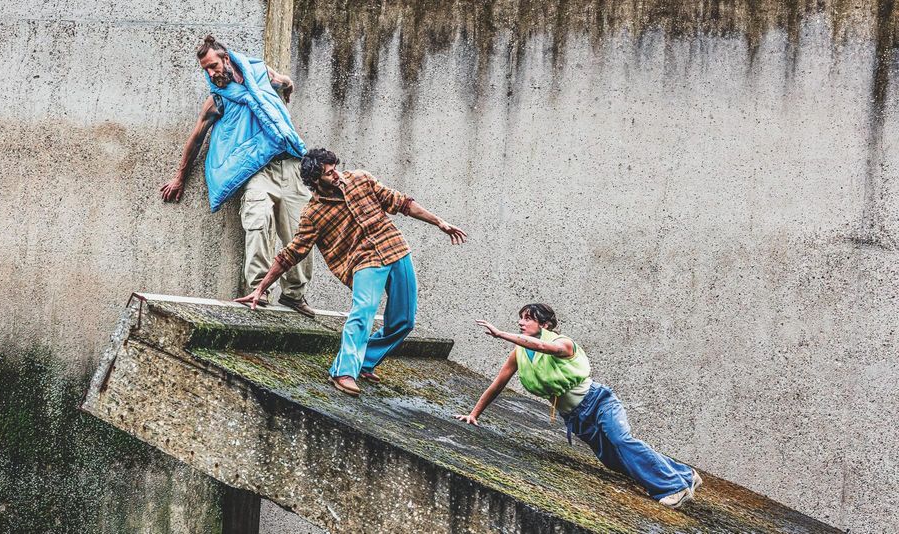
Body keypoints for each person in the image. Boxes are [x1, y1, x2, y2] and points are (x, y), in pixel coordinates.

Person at [235, 148, 468, 396]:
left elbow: (401, 202)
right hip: (364, 261)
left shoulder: (360, 179)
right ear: (316, 180)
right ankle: (343, 371)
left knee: (404, 320)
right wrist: (261, 288)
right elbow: (291, 254)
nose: (337, 175)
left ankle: (365, 361)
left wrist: (439, 222)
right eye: (329, 173)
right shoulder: (313, 214)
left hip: (396, 249)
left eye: (335, 168)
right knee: (363, 313)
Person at [455, 304, 703, 509]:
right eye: (520, 318)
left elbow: (543, 347)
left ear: (545, 325)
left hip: (598, 401)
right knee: (613, 460)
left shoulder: (563, 343)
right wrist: (474, 414)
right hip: (575, 417)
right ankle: (685, 474)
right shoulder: (519, 353)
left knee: (621, 440)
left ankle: (674, 488)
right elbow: (497, 384)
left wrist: (500, 334)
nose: (521, 323)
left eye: (528, 319)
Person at [160, 35, 315, 316]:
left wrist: (286, 92)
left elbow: (285, 81)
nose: (211, 74)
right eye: (206, 70)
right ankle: (259, 290)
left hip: (291, 165)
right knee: (258, 221)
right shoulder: (218, 100)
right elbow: (196, 138)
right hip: (257, 170)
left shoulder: (261, 74)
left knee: (302, 232)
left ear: (226, 58)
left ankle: (293, 294)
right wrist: (179, 178)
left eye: (213, 66)